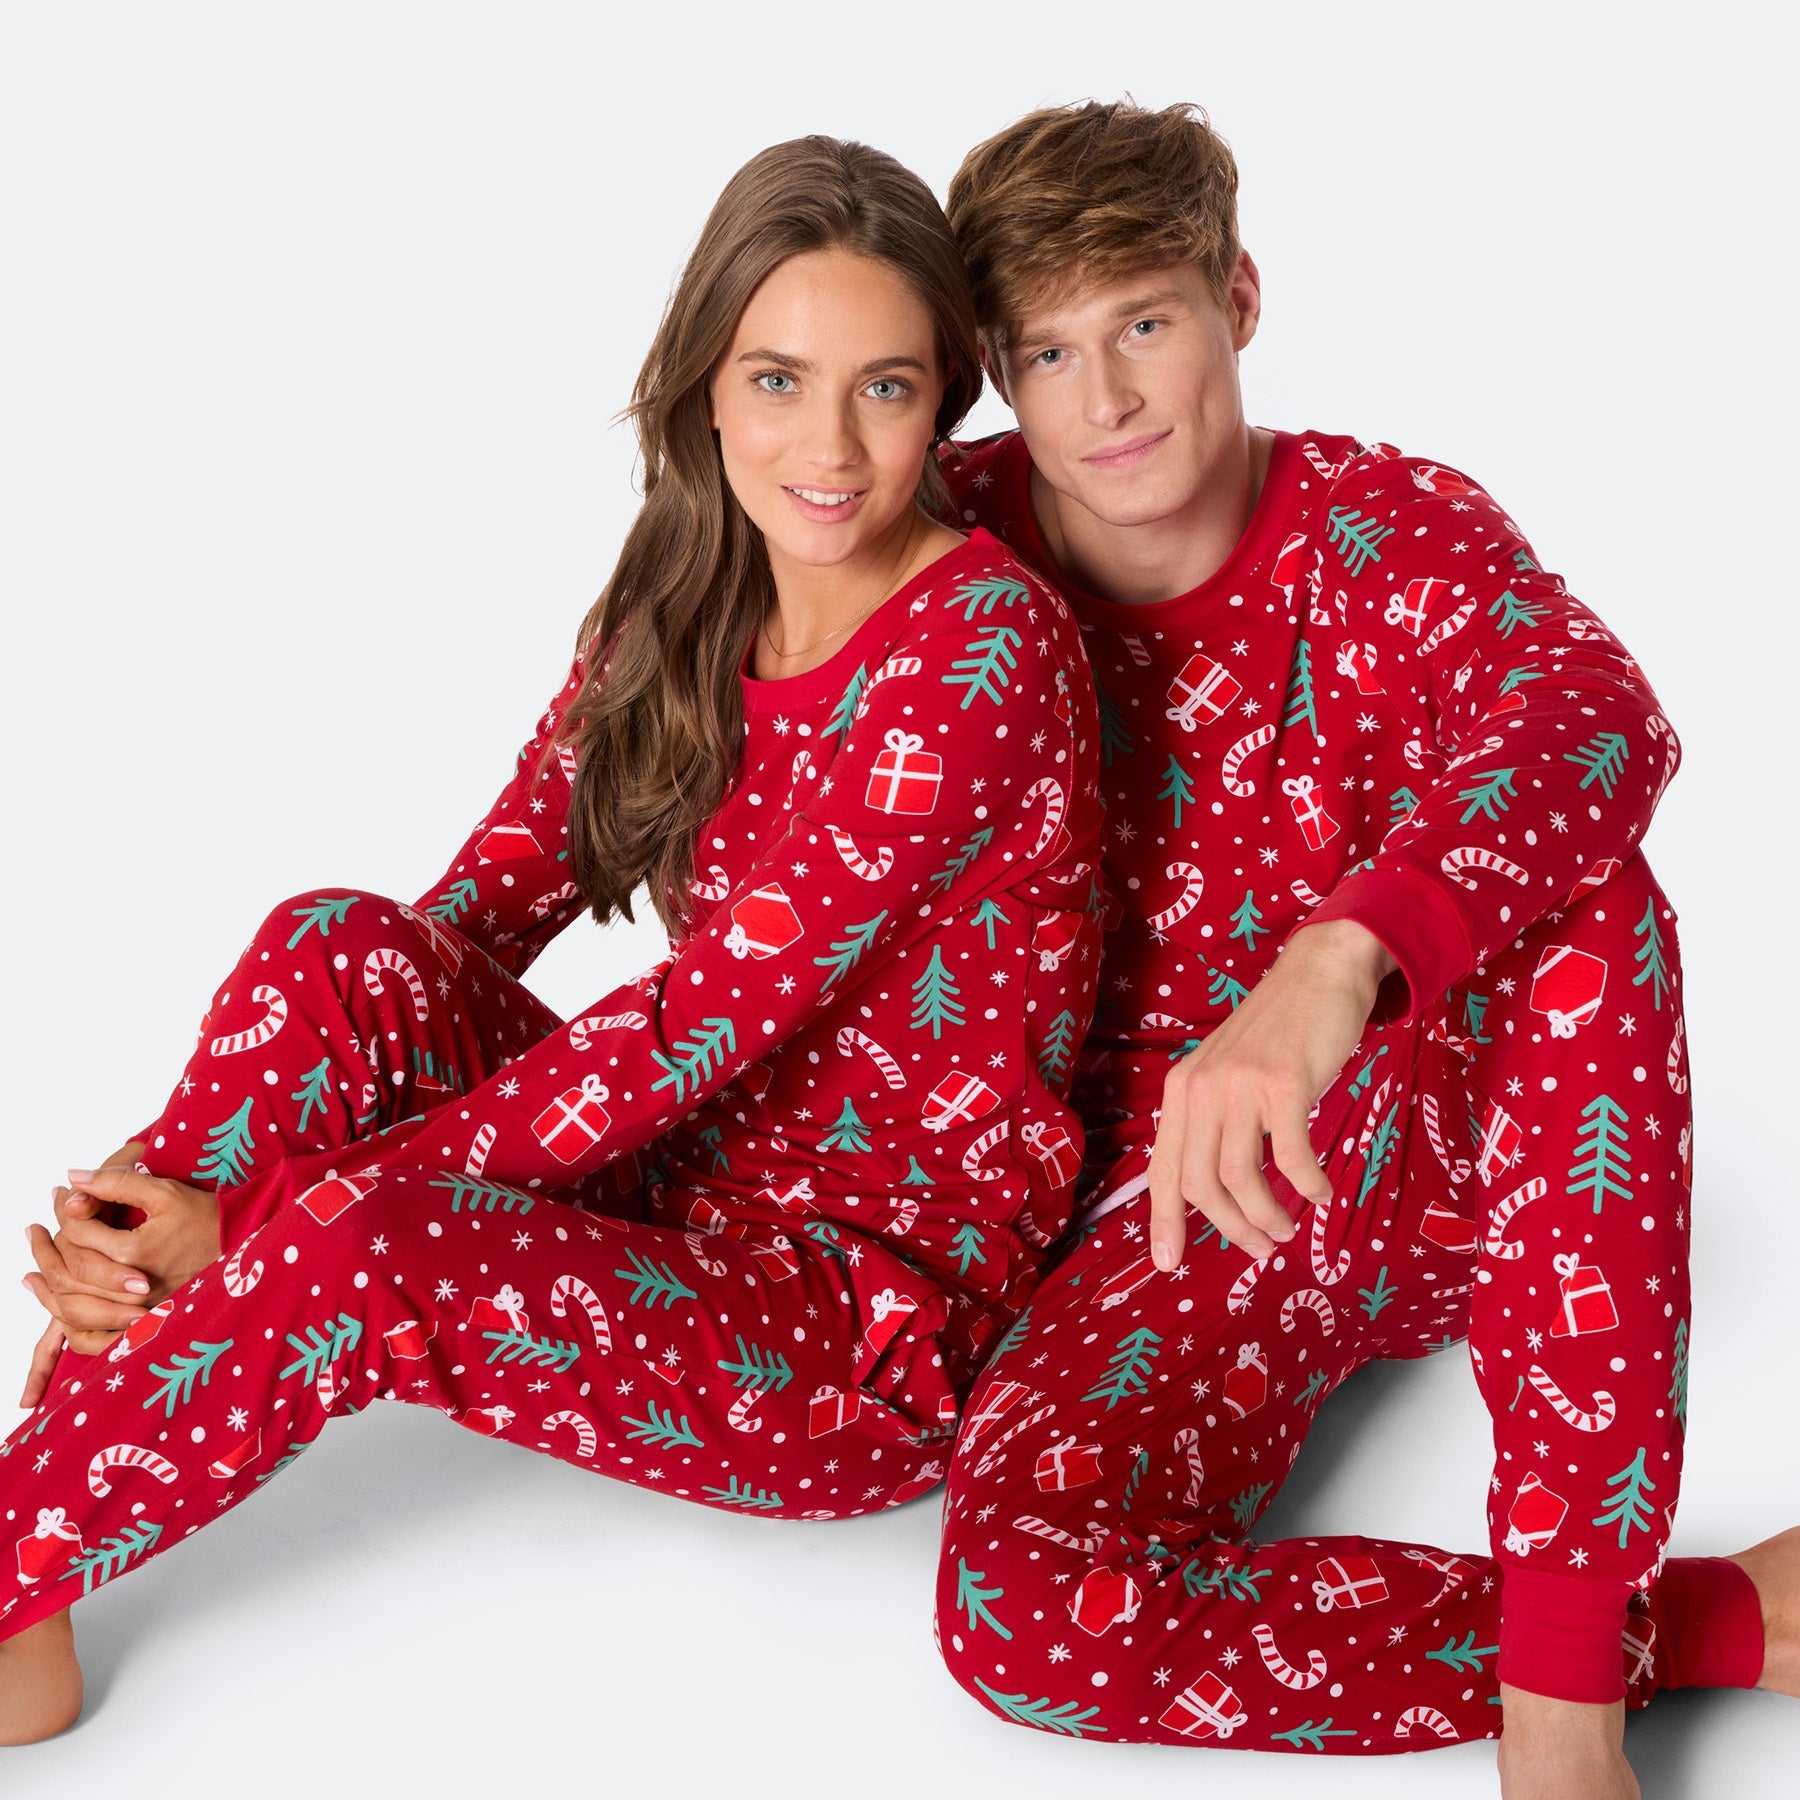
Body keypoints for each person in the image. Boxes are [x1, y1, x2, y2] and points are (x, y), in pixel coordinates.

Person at [0, 133, 1107, 1746]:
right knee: (332, 947)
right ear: (706, 386)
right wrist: (199, 1174)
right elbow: (470, 917)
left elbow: (690, 1028)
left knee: (360, 1239)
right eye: (779, 381)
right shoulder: (686, 595)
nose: (829, 445)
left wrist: (253, 1216)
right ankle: (45, 1530)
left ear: (945, 397)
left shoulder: (980, 651)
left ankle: (12, 1563)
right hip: (673, 1177)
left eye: (884, 387)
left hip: (857, 1315)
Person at [924, 97, 1797, 1798]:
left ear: (1239, 300)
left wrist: (1336, 958)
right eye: (1046, 354)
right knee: (1016, 1609)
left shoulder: (1384, 528)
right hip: (1151, 1220)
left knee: (1591, 902)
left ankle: (1563, 1715)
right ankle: (1708, 1624)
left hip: (1431, 1148)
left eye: (1144, 326)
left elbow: (1597, 715)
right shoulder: (945, 550)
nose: (1102, 402)